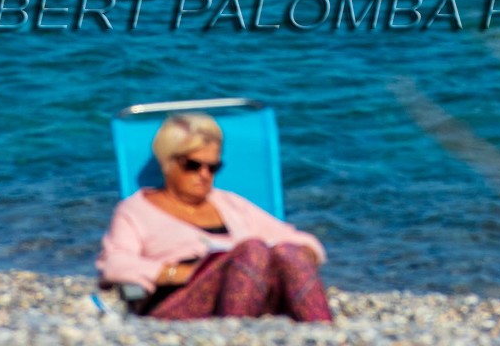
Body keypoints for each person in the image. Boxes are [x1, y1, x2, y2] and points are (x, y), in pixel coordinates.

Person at [97, 113, 331, 322]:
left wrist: (293, 261)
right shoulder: (136, 209)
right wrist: (177, 272)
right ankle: (235, 337)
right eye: (193, 165)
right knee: (251, 249)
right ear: (167, 162)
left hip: (250, 287)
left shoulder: (229, 203)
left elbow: (304, 242)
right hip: (180, 300)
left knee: (287, 252)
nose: (204, 175)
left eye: (213, 167)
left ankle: (324, 335)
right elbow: (114, 263)